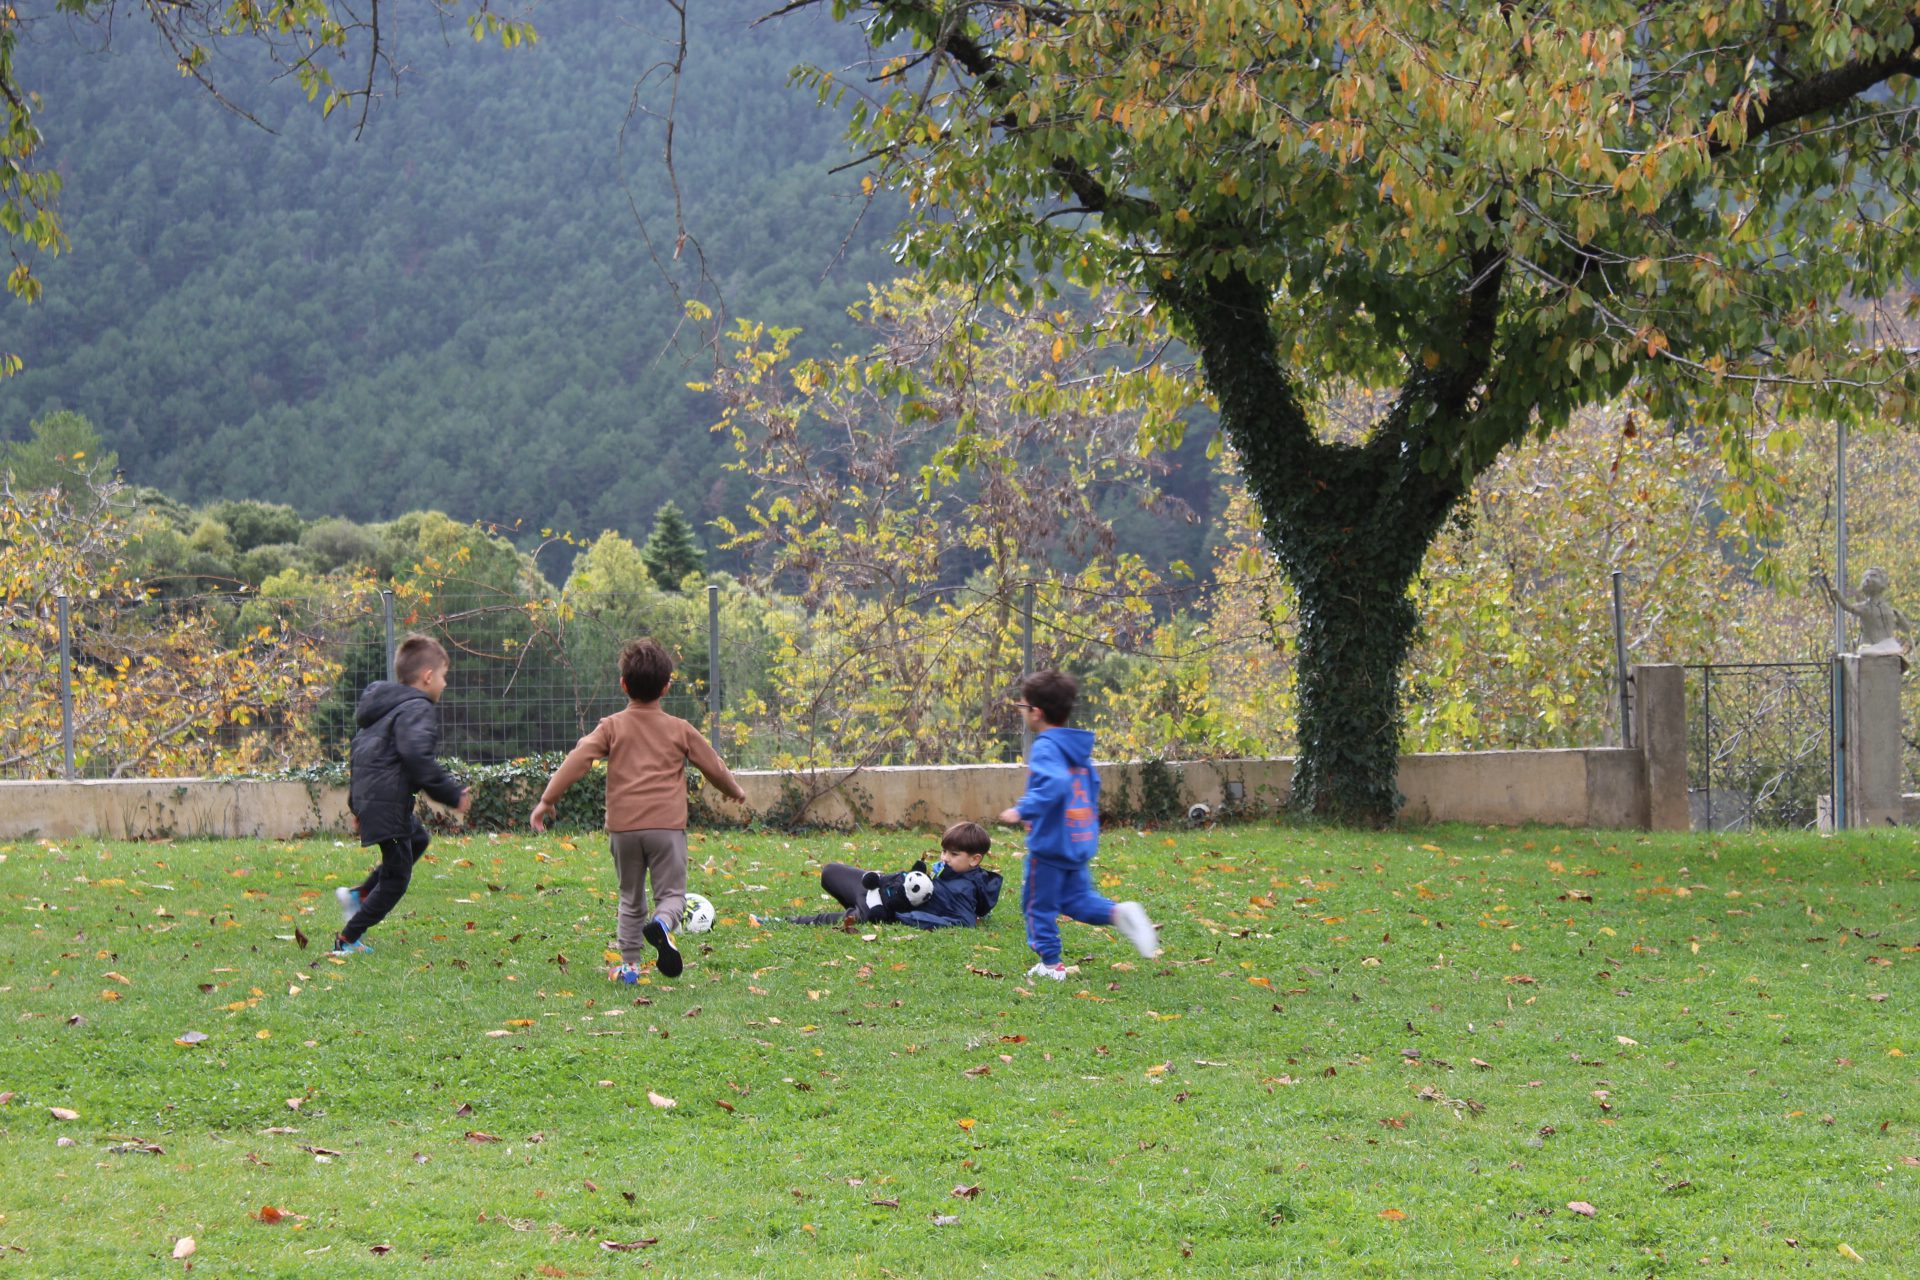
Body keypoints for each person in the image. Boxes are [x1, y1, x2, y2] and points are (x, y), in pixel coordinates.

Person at [528, 638, 747, 983]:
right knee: (671, 895)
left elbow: (578, 759)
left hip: (623, 830)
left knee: (630, 897)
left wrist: (547, 800)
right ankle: (662, 924)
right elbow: (713, 766)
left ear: (623, 685)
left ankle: (629, 967)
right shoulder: (680, 729)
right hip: (666, 829)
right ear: (666, 687)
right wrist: (734, 790)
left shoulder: (612, 727)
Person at [998, 669, 1159, 981]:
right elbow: (1092, 785)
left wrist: (1024, 809)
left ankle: (1050, 964)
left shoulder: (1046, 746)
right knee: (1075, 901)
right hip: (1077, 839)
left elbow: (1056, 783)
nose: (1022, 712)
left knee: (1036, 904)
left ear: (1036, 712)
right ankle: (1119, 912)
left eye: (1022, 707)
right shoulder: (1076, 748)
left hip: (1049, 846)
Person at [333, 634, 471, 956]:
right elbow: (416, 757)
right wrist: (451, 794)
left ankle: (360, 896)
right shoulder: (416, 709)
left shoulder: (384, 709)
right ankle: (347, 940)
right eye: (443, 676)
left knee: (418, 839)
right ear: (427, 676)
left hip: (376, 801)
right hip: (386, 805)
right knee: (396, 878)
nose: (445, 684)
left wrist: (359, 805)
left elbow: (362, 756)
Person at [768, 821, 1004, 929]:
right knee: (830, 872)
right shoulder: (947, 871)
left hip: (885, 908)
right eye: (943, 851)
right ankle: (860, 904)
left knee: (840, 918)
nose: (944, 858)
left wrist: (900, 917)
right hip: (879, 887)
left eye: (953, 854)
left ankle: (783, 922)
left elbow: (963, 922)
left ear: (975, 860)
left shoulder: (966, 890)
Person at [1814, 567, 1912, 657]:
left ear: (1884, 582)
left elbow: (1907, 629)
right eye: (1866, 577)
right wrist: (1838, 597)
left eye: (1873, 575)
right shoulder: (1864, 607)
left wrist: (1901, 618)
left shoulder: (1890, 610)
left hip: (1889, 646)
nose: (1868, 579)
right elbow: (1847, 607)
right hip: (1869, 646)